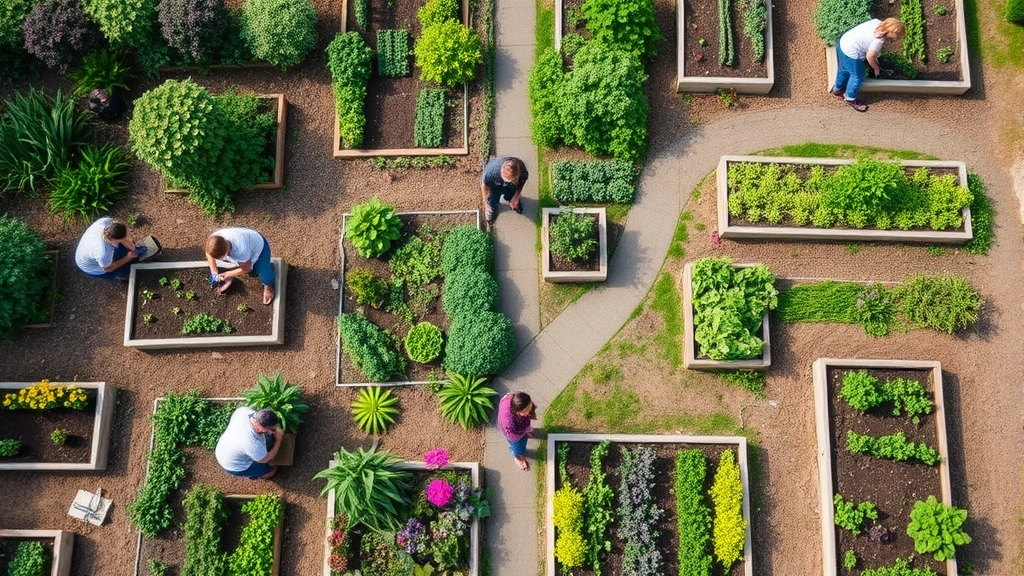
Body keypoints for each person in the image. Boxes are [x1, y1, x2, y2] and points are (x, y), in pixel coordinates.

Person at [830, 18, 905, 112]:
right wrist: (876, 67)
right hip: (851, 52)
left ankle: (837, 90)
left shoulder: (876, 22)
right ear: (891, 33)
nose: (897, 39)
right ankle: (850, 98)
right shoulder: (878, 40)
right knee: (857, 76)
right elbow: (870, 56)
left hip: (843, 43)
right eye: (897, 37)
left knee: (844, 69)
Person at [205, 227, 275, 305]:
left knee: (265, 275)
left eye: (221, 257)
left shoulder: (241, 250)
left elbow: (246, 269)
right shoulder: (214, 240)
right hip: (245, 251)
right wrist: (214, 272)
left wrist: (229, 274)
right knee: (251, 270)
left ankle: (269, 285)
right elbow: (209, 254)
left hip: (260, 249)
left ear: (225, 253)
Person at [214, 407, 284, 479]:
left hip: (226, 446)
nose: (273, 431)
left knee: (264, 443)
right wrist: (279, 439)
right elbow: (267, 458)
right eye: (271, 429)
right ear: (259, 427)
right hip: (234, 465)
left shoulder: (243, 411)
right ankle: (255, 475)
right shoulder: (252, 444)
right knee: (271, 471)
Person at [74, 217, 141, 280]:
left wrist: (126, 242)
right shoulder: (103, 253)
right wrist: (127, 258)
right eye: (121, 239)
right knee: (121, 271)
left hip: (86, 251)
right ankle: (123, 277)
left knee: (120, 251)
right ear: (112, 242)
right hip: (91, 267)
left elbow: (118, 237)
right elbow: (108, 269)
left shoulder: (104, 222)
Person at [481, 156, 529, 224]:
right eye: (506, 178)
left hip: (511, 186)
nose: (507, 180)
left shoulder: (522, 169)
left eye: (511, 179)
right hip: (494, 185)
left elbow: (523, 180)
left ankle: (513, 201)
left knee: (512, 193)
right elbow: (484, 185)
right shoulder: (491, 172)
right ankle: (490, 209)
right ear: (501, 171)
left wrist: (517, 195)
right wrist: (485, 203)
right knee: (492, 200)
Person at [497, 391, 536, 471]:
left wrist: (527, 427)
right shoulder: (508, 422)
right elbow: (514, 438)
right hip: (513, 435)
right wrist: (525, 431)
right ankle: (517, 457)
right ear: (517, 412)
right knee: (517, 446)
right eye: (525, 412)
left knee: (522, 438)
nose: (529, 413)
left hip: (520, 426)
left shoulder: (515, 399)